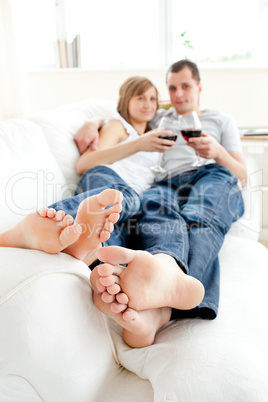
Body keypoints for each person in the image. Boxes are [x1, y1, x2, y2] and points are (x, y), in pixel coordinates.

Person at [73, 59, 246, 348]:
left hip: (212, 173)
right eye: (172, 88)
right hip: (165, 183)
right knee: (154, 213)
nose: (178, 94)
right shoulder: (162, 120)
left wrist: (217, 152)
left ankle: (166, 292)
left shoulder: (221, 119)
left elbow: (242, 175)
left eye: (186, 86)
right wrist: (93, 122)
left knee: (198, 218)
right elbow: (123, 115)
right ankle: (161, 303)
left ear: (199, 87)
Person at [50, 76, 177, 225]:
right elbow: (84, 164)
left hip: (130, 204)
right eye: (140, 98)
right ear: (126, 100)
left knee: (110, 233)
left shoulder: (154, 133)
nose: (148, 104)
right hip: (108, 179)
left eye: (152, 99)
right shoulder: (118, 126)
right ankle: (51, 218)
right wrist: (138, 144)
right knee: (126, 198)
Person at [0, 189, 123, 264]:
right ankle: (87, 251)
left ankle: (83, 249)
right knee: (128, 195)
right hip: (108, 170)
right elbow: (82, 164)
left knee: (124, 239)